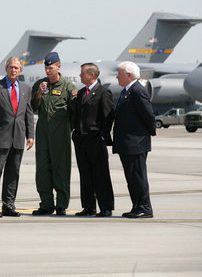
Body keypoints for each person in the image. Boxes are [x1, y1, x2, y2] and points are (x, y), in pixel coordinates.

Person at [0, 57, 34, 217]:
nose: (13, 70)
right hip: (0, 137)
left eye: (16, 68)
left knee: (13, 173)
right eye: (11, 67)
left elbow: (28, 114)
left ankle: (9, 205)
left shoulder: (25, 88)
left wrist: (30, 135)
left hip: (18, 137)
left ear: (21, 71)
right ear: (6, 69)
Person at [31, 52, 77, 216]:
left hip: (60, 135)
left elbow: (74, 113)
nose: (47, 71)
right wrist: (38, 94)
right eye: (46, 67)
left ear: (58, 66)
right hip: (43, 134)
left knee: (61, 169)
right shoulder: (40, 85)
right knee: (42, 169)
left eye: (50, 67)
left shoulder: (68, 88)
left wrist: (65, 128)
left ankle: (62, 205)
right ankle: (46, 204)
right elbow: (33, 107)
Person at [113, 61, 155, 218]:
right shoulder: (127, 91)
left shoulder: (137, 90)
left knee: (138, 177)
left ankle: (145, 207)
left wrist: (150, 132)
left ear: (128, 75)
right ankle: (137, 206)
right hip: (127, 143)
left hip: (136, 142)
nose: (117, 76)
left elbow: (148, 114)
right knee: (131, 178)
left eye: (119, 73)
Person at [72, 63, 115, 217]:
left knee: (101, 174)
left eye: (82, 73)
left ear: (91, 75)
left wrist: (103, 136)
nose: (80, 76)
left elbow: (108, 116)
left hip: (96, 140)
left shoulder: (103, 92)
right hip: (81, 141)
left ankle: (106, 207)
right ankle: (89, 207)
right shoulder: (82, 92)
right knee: (85, 175)